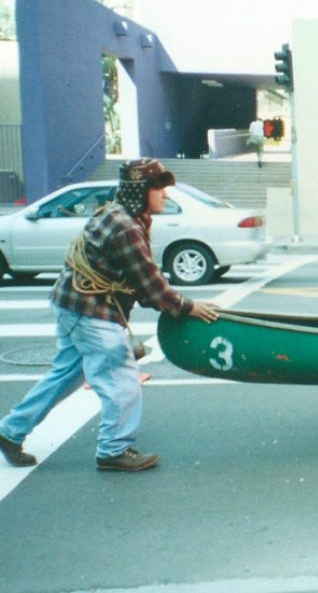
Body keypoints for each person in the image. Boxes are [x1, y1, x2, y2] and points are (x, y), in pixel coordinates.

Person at [0, 159, 221, 472]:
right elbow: (150, 287)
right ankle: (114, 449)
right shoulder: (127, 227)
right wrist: (188, 307)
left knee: (66, 375)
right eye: (159, 189)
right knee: (121, 379)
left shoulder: (115, 212)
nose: (165, 196)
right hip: (92, 311)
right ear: (140, 191)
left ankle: (10, 431)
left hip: (71, 303)